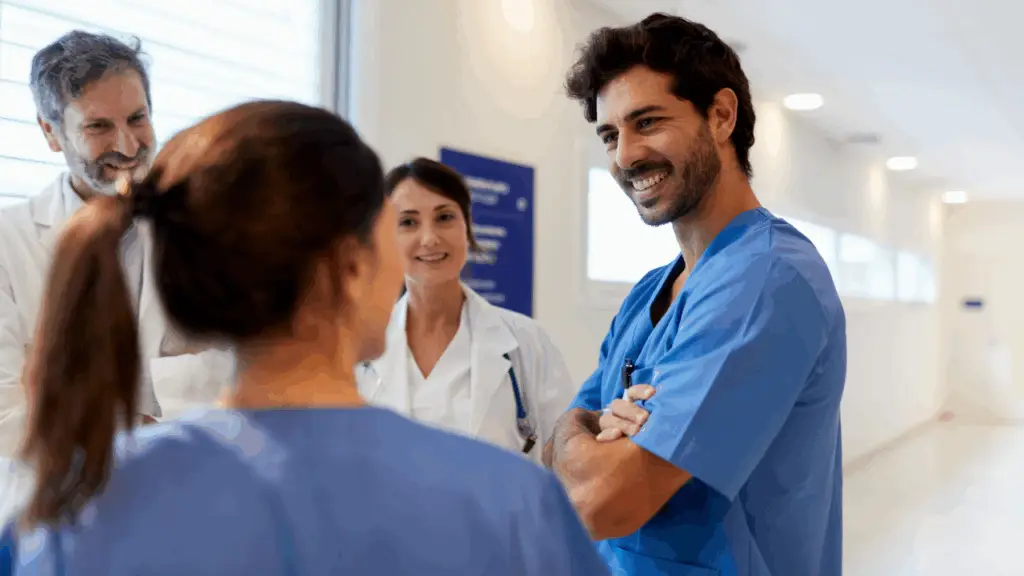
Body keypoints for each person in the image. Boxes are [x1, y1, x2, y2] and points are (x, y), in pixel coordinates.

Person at [4, 100, 609, 575]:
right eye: (392, 230)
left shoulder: (71, 510)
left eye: (444, 217)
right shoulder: (512, 507)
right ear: (351, 267)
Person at [544, 14, 846, 576]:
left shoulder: (768, 279)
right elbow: (563, 439)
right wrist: (575, 431)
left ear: (721, 115)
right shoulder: (649, 294)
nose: (626, 156)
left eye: (648, 122)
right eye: (610, 135)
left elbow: (602, 501)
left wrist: (585, 441)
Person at [0, 31, 232, 519]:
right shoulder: (8, 239)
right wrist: (131, 435)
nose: (127, 145)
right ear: (49, 132)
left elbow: (235, 373)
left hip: (186, 501)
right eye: (98, 127)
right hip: (56, 507)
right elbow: (5, 410)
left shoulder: (208, 226)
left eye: (138, 118)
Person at [356, 158, 577, 463]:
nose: (430, 238)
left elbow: (566, 463)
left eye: (444, 217)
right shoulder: (359, 351)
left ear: (467, 226)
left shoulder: (528, 344)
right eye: (408, 222)